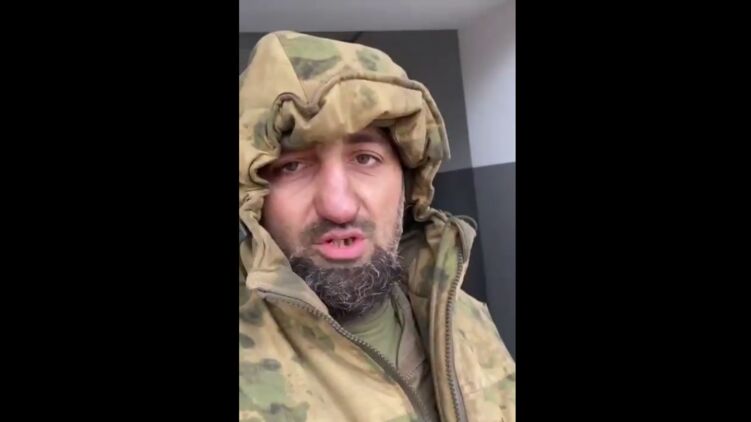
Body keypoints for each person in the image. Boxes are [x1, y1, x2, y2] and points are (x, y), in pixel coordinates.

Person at [239, 30, 515, 422]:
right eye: (293, 166)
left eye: (365, 158)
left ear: (408, 179)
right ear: (254, 196)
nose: (339, 207)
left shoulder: (462, 313)